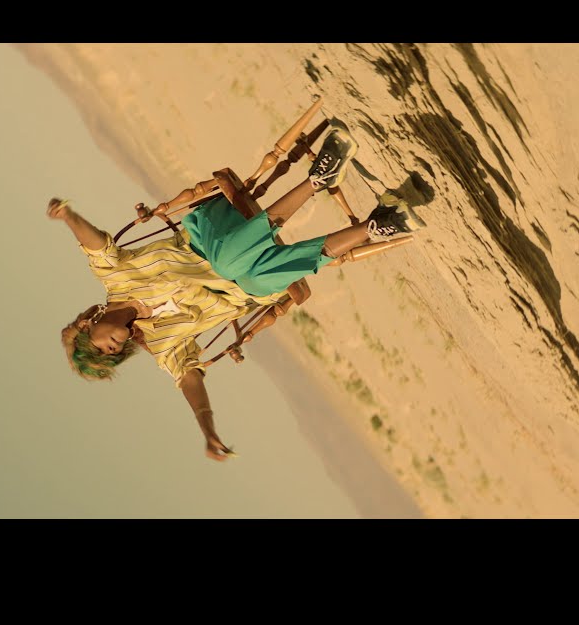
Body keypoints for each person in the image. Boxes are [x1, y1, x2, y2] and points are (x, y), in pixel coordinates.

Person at [48, 121, 420, 461]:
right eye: (112, 356)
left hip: (211, 232)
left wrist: (67, 215)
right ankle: (376, 223)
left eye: (101, 348)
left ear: (88, 326)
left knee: (230, 263)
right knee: (261, 279)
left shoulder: (117, 277)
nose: (113, 349)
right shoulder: (162, 343)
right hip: (245, 287)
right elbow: (188, 379)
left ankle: (318, 182)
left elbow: (96, 246)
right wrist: (207, 430)